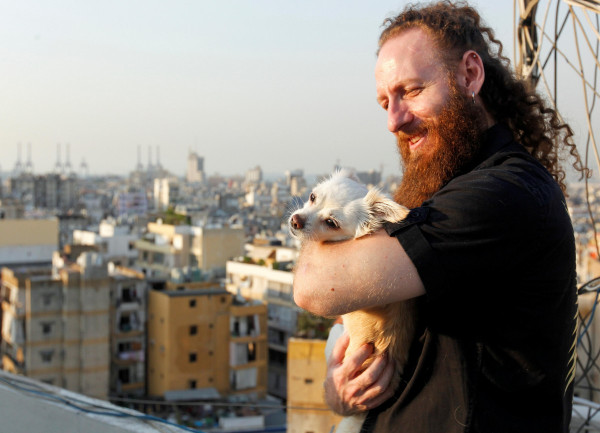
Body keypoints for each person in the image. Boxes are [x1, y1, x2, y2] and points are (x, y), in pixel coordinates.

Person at [292, 2, 588, 432]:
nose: (394, 120)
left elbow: (314, 288)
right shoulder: (447, 187)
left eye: (411, 91)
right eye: (385, 102)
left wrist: (315, 229)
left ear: (470, 74)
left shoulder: (501, 195)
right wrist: (341, 393)